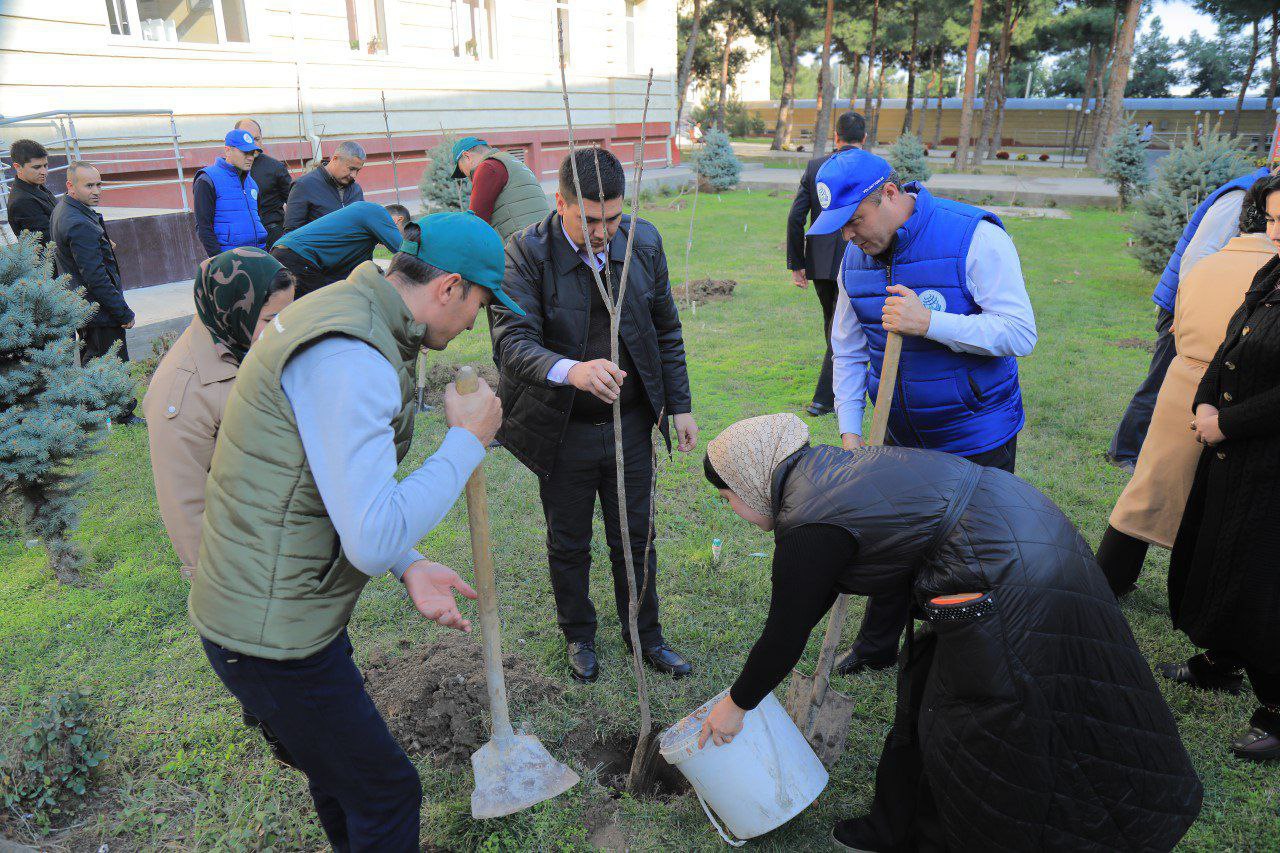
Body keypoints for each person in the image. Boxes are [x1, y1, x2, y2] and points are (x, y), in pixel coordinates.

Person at [697, 414, 1203, 852]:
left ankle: (963, 838)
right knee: (922, 696)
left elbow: (786, 631)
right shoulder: (827, 471)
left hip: (1008, 575)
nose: (732, 511)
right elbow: (814, 599)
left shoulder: (808, 522)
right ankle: (892, 829)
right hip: (1024, 523)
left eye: (727, 499)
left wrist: (736, 705)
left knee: (977, 726)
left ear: (750, 481)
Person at [189, 212, 525, 850]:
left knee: (341, 775)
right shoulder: (352, 355)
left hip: (274, 610)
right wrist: (466, 442)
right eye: (480, 303)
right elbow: (368, 536)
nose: (476, 321)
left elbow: (334, 483)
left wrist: (411, 563)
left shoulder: (350, 307)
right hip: (272, 635)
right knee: (385, 791)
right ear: (449, 287)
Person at [805, 148, 1037, 676]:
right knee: (893, 540)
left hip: (976, 431)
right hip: (899, 434)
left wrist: (931, 323)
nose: (849, 237)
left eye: (855, 222)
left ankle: (967, 653)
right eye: (839, 228)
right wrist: (849, 432)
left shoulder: (972, 236)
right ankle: (875, 647)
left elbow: (1019, 332)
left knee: (973, 552)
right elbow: (847, 348)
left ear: (889, 195)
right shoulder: (854, 259)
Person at [489, 148, 697, 683]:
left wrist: (679, 405)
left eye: (613, 217)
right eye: (591, 219)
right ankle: (579, 633)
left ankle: (644, 634)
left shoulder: (643, 241)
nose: (605, 231)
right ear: (560, 203)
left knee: (637, 536)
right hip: (563, 429)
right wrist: (571, 371)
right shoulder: (525, 254)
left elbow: (666, 328)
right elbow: (511, 341)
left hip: (629, 425)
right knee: (569, 540)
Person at [1099, 181, 1275, 596]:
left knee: (1150, 485)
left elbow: (1180, 321)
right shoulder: (1268, 276)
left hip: (1182, 382)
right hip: (1237, 390)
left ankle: (1110, 575)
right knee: (1223, 502)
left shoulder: (1205, 267)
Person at [1156, 173, 1280, 763]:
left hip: (1269, 459)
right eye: (1273, 221)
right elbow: (1231, 345)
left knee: (1262, 581)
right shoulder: (1271, 272)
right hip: (1232, 451)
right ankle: (1220, 662)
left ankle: (1277, 711)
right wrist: (1205, 400)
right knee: (1214, 554)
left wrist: (1226, 423)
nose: (1277, 234)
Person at [1107, 163, 1273, 470]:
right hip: (1185, 309)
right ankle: (1125, 451)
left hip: (1203, 305)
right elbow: (1199, 254)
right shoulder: (1240, 195)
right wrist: (1186, 312)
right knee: (1161, 382)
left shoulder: (1260, 192)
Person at [144, 248, 295, 581]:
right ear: (235, 308)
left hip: (285, 546)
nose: (282, 330)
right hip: (240, 570)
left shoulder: (240, 342)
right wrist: (217, 584)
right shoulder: (183, 390)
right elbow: (183, 501)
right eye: (271, 320)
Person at [785, 112, 865, 417]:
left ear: (837, 136)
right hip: (857, 254)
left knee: (835, 323)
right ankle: (826, 395)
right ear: (864, 138)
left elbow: (795, 217)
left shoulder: (816, 166)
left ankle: (828, 394)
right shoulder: (871, 167)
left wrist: (798, 263)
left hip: (820, 259)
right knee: (838, 327)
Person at [49, 161, 141, 424]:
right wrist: (122, 311)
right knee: (111, 360)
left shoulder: (67, 210)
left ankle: (92, 412)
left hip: (84, 304)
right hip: (97, 307)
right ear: (71, 186)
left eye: (99, 184)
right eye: (89, 185)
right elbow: (95, 277)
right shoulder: (78, 221)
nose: (96, 190)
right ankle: (122, 414)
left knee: (93, 357)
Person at [271, 201, 409, 297]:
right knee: (327, 311)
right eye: (403, 232)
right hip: (298, 257)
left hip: (285, 254)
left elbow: (362, 277)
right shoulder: (375, 211)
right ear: (398, 220)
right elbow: (405, 251)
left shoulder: (363, 242)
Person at [451, 136, 551, 241]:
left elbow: (477, 222)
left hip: (524, 246)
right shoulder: (511, 161)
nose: (467, 176)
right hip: (544, 238)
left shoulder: (488, 167)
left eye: (462, 171)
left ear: (467, 157)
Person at [193, 129, 268, 257]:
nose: (250, 158)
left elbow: (259, 220)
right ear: (228, 150)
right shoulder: (207, 179)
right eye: (245, 152)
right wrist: (219, 261)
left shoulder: (252, 184)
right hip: (230, 261)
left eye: (252, 153)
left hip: (259, 257)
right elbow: (204, 228)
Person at [234, 118, 293, 250]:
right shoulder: (226, 170)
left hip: (273, 237)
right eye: (248, 138)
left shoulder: (275, 167)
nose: (253, 143)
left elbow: (295, 202)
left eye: (257, 139)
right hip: (240, 240)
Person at [283, 140, 365, 233]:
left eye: (357, 170)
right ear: (335, 159)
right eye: (351, 169)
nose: (354, 175)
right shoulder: (303, 185)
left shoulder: (356, 190)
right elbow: (292, 232)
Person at [6, 139, 56, 247]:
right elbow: (48, 244)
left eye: (45, 165)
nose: (44, 172)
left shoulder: (35, 185)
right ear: (18, 167)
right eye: (37, 167)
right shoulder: (22, 202)